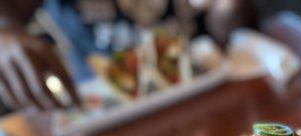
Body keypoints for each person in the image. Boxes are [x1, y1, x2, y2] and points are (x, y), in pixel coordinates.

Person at [0, 0, 256, 111]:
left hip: (214, 95)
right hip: (107, 115)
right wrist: (4, 30)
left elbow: (232, 24)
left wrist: (229, 10)